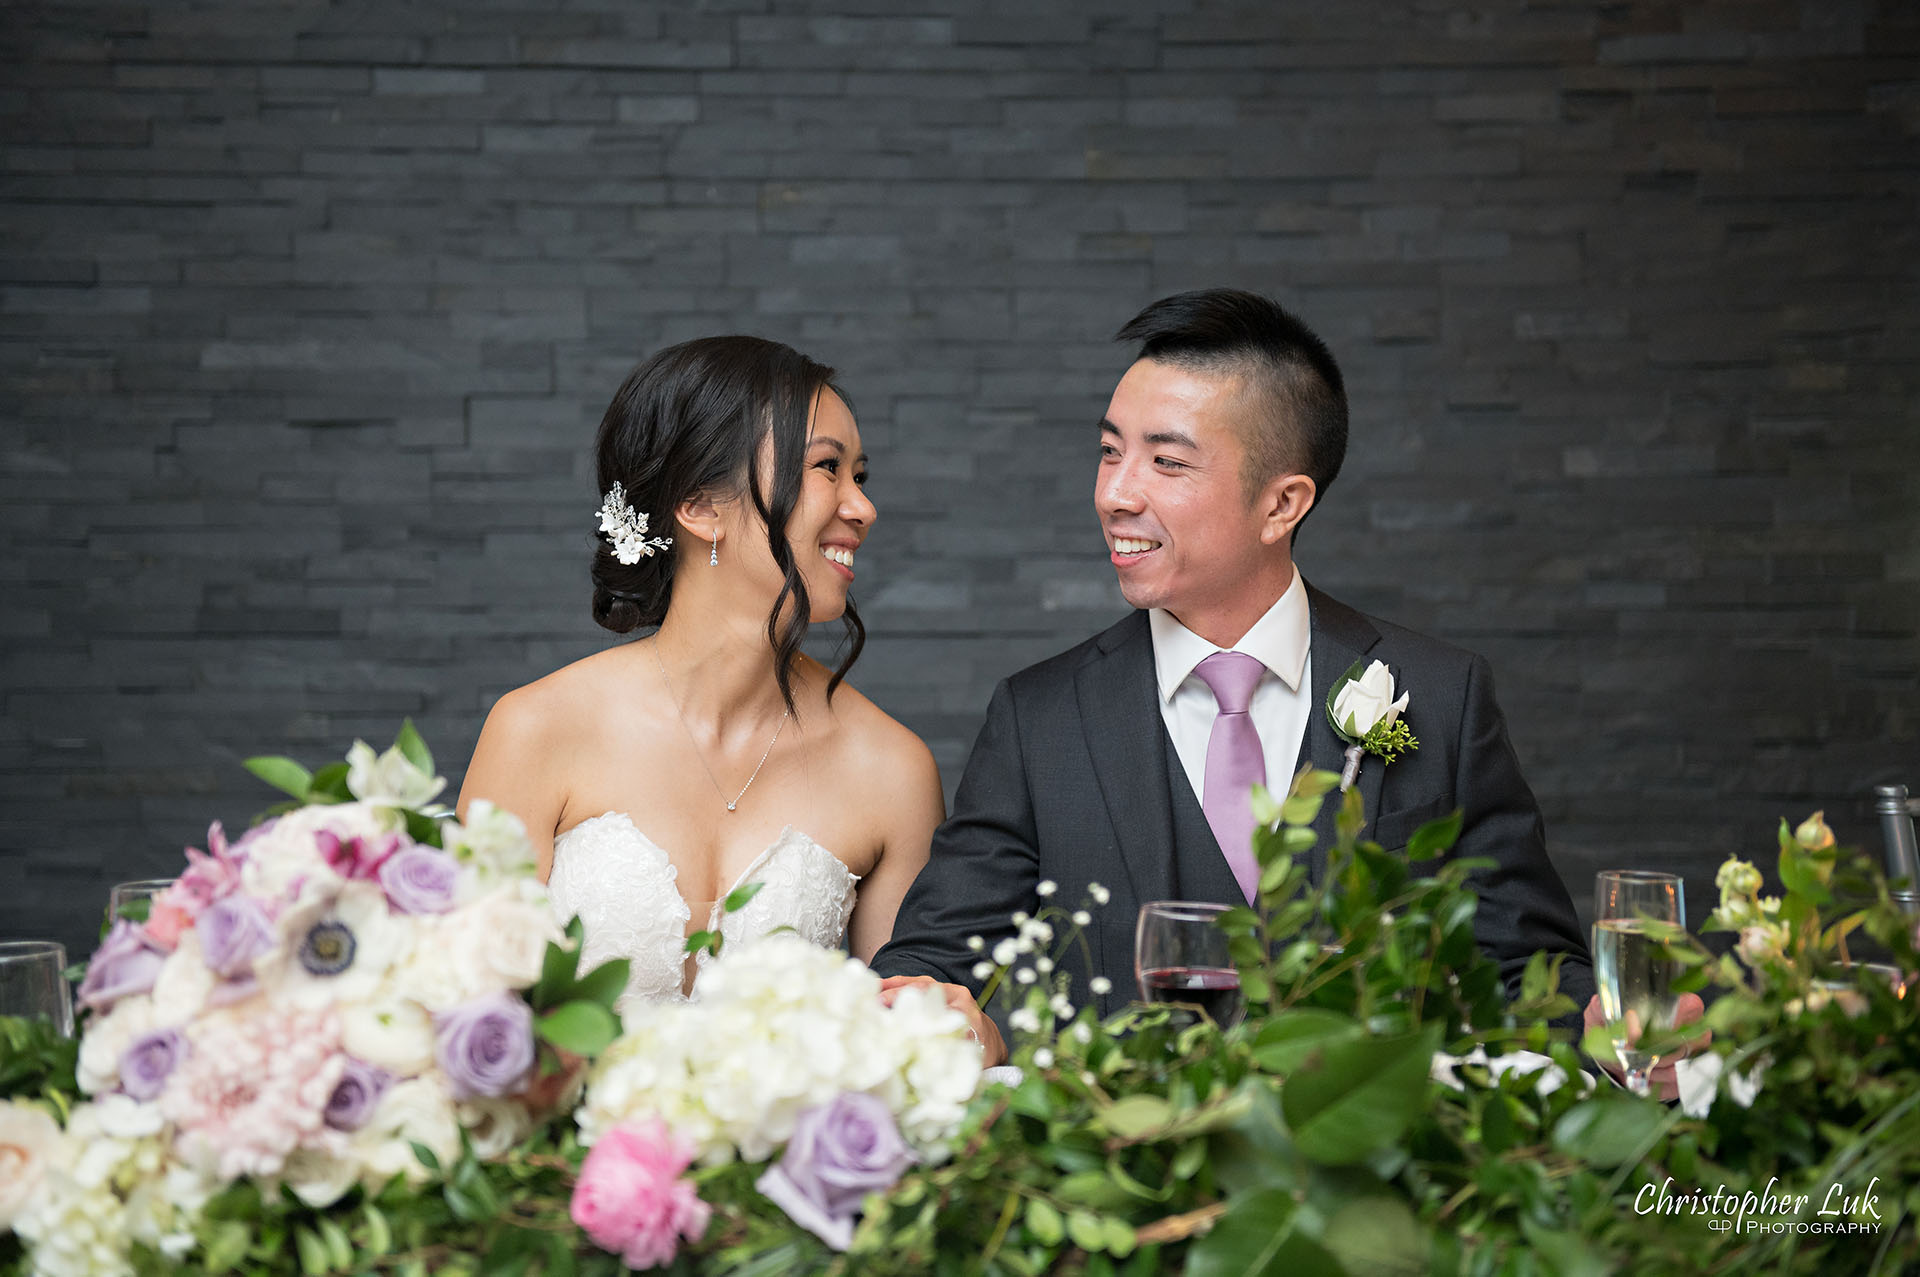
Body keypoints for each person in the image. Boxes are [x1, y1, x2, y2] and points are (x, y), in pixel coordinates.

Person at [875, 288, 1606, 1069]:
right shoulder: (1038, 719)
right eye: (1110, 450)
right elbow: (931, 966)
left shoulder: (1440, 695)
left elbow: (1529, 975)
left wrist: (1616, 1028)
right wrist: (952, 1023)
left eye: (1166, 461)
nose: (1116, 493)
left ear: (1281, 504)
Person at [458, 335, 962, 1019]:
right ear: (700, 505)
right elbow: (463, 1016)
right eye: (827, 469)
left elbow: (910, 1059)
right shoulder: (537, 731)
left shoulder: (893, 770)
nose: (862, 507)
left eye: (860, 476)